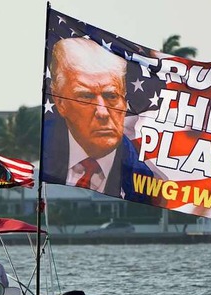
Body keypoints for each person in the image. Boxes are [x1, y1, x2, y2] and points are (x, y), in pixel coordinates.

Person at [41, 37, 153, 203]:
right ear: (60, 102)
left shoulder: (143, 174)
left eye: (111, 96)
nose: (102, 112)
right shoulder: (46, 151)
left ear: (125, 102)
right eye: (86, 97)